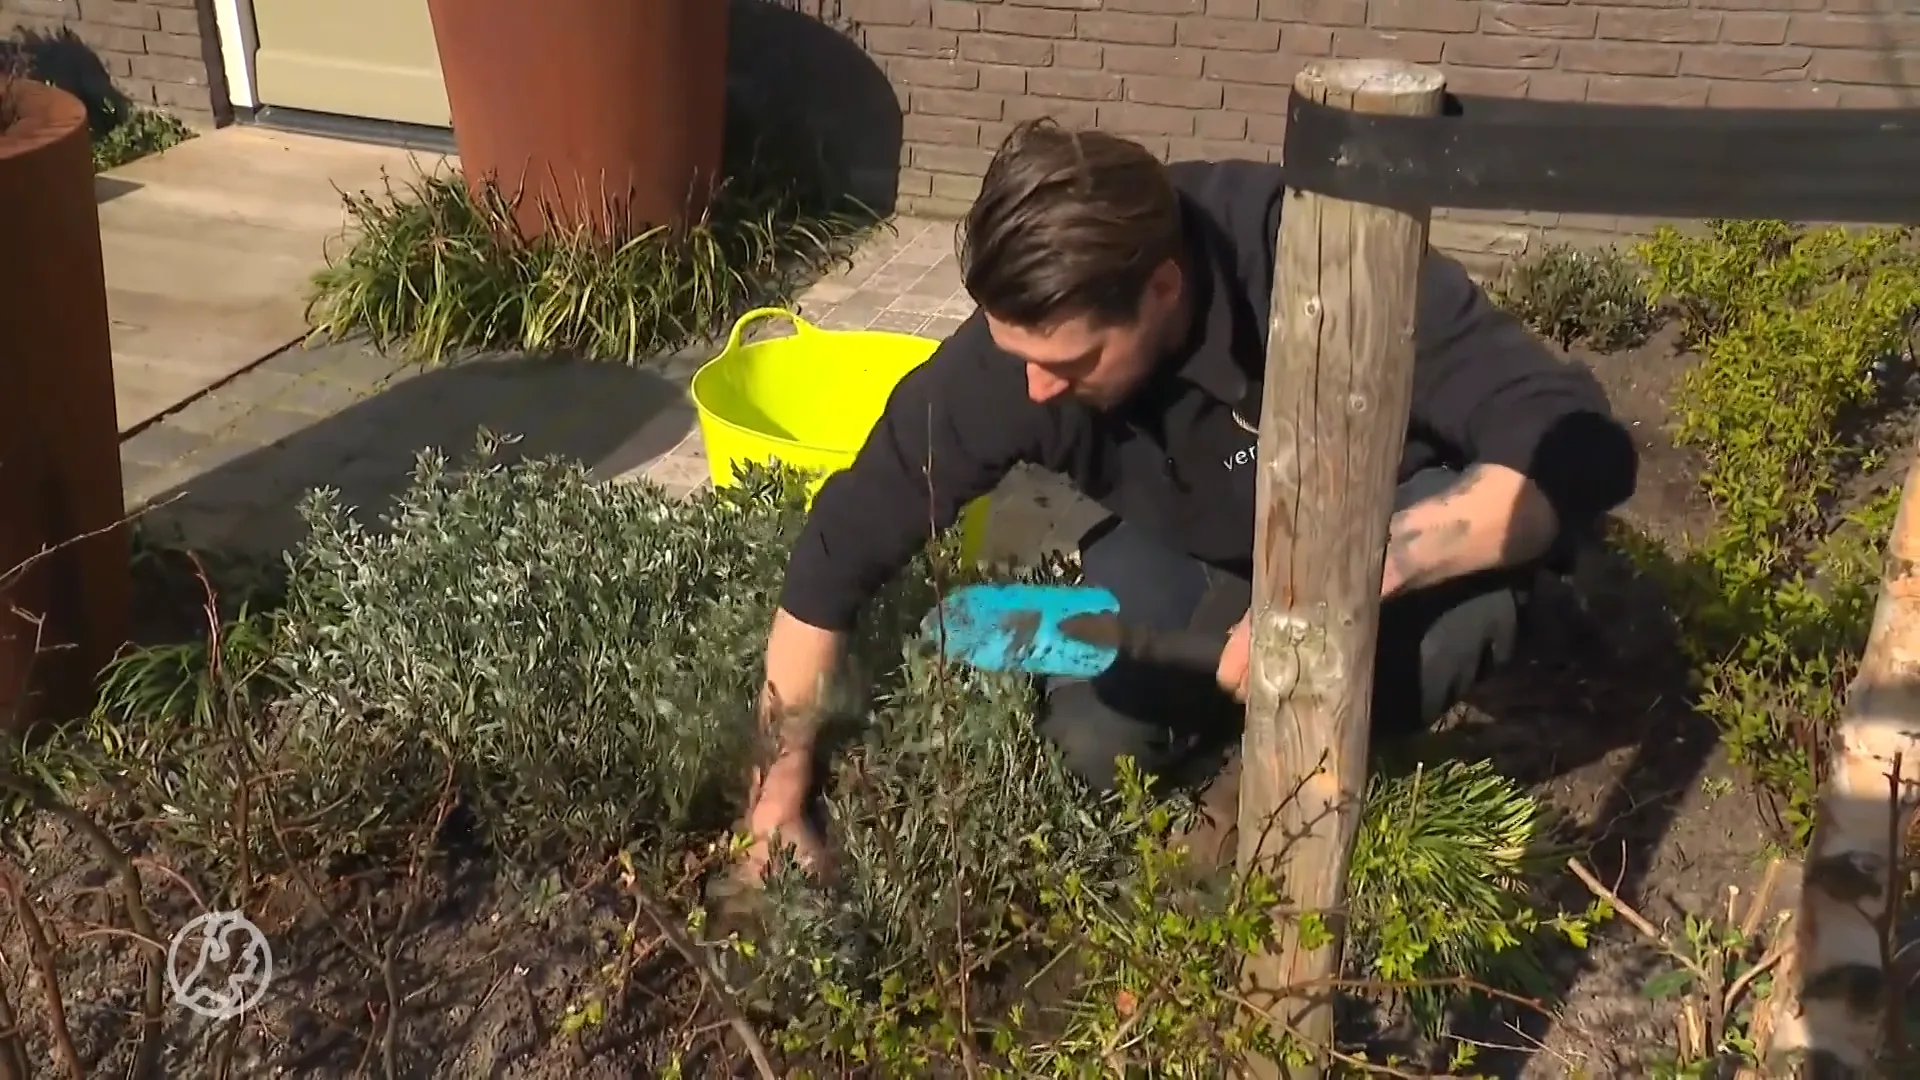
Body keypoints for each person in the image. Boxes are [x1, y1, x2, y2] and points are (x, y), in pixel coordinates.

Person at [739, 119, 1638, 879]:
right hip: (1196, 545)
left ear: (1163, 288)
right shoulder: (1011, 369)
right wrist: (778, 794)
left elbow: (1579, 448)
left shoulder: (1312, 260)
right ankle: (1142, 651)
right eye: (1019, 358)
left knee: (1461, 624)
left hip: (1388, 527)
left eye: (1069, 363)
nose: (1037, 391)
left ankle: (1289, 771)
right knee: (1087, 746)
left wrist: (1326, 593)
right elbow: (834, 558)